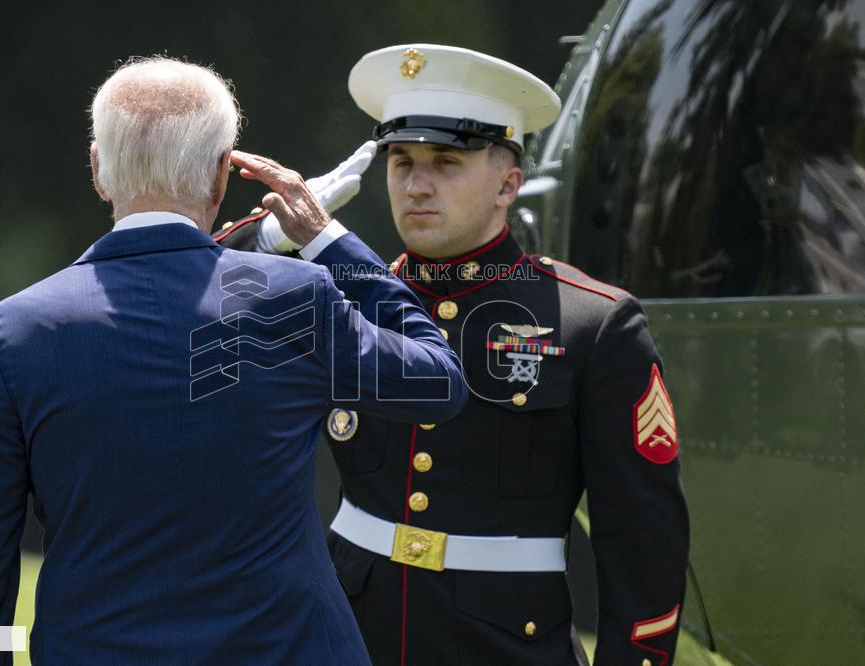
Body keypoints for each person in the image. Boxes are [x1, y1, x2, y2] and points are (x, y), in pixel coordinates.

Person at [0, 56, 468, 665]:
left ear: (98, 170)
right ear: (221, 176)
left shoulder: (13, 332)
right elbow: (438, 381)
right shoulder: (295, 297)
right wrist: (329, 241)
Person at [217, 44, 690, 666]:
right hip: (350, 637)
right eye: (402, 162)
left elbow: (643, 542)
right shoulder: (342, 296)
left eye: (446, 162)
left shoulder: (592, 323)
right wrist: (266, 237)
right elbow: (192, 305)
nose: (417, 185)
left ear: (508, 184)